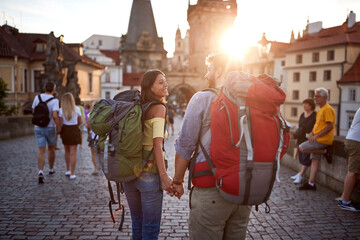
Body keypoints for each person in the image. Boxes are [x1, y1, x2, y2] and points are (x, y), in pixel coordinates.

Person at [172, 53, 252, 240]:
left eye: (209, 70)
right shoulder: (252, 101)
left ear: (219, 70)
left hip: (212, 190)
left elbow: (185, 146)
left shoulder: (203, 98)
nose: (206, 75)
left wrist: (177, 181)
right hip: (244, 192)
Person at [122, 69, 173, 239]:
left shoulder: (138, 106)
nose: (165, 84)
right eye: (160, 82)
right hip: (149, 176)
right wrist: (164, 176)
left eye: (165, 80)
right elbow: (157, 145)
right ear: (149, 87)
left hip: (129, 173)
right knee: (150, 229)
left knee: (137, 224)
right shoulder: (158, 108)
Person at [299, 87, 335, 190]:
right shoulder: (320, 109)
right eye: (315, 96)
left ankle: (324, 151)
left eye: (318, 96)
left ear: (324, 97)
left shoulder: (327, 109)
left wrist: (317, 136)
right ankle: (311, 183)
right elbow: (318, 125)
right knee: (314, 160)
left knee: (302, 147)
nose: (315, 98)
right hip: (317, 138)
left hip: (322, 140)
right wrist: (312, 132)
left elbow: (330, 126)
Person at [32, 81, 60, 184]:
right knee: (51, 149)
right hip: (50, 127)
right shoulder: (55, 100)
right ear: (53, 89)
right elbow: (55, 116)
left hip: (38, 127)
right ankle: (51, 169)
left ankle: (40, 171)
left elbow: (33, 111)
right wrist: (59, 127)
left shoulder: (37, 97)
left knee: (41, 150)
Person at [337, 107, 360, 211]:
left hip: (352, 139)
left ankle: (343, 198)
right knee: (353, 172)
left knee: (356, 173)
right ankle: (345, 201)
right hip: (357, 141)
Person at [291, 98, 317, 184]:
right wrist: (296, 139)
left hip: (308, 139)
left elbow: (316, 126)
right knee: (301, 157)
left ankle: (301, 176)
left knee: (306, 158)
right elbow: (299, 127)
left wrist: (312, 134)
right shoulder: (302, 114)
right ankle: (300, 173)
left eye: (306, 104)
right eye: (304, 104)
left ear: (311, 106)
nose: (304, 106)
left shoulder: (315, 114)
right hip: (300, 138)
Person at [59, 92, 82, 180]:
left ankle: (68, 169)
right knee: (73, 152)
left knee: (67, 151)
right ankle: (73, 173)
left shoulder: (61, 110)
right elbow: (79, 121)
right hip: (74, 129)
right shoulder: (77, 109)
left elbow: (60, 122)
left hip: (65, 130)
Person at [85, 101, 99, 175]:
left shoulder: (90, 115)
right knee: (100, 153)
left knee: (93, 153)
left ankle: (96, 168)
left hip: (93, 136)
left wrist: (88, 131)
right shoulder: (103, 115)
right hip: (101, 136)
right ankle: (100, 168)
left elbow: (88, 126)